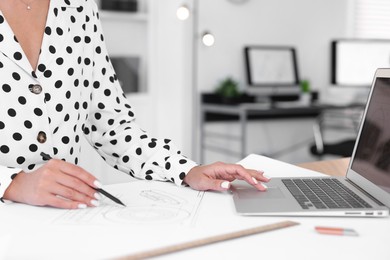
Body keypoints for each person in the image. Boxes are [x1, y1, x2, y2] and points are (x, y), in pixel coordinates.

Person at [0, 0, 269, 209]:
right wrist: (12, 184)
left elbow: (111, 127)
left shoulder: (79, 9)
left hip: (63, 218)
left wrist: (186, 170)